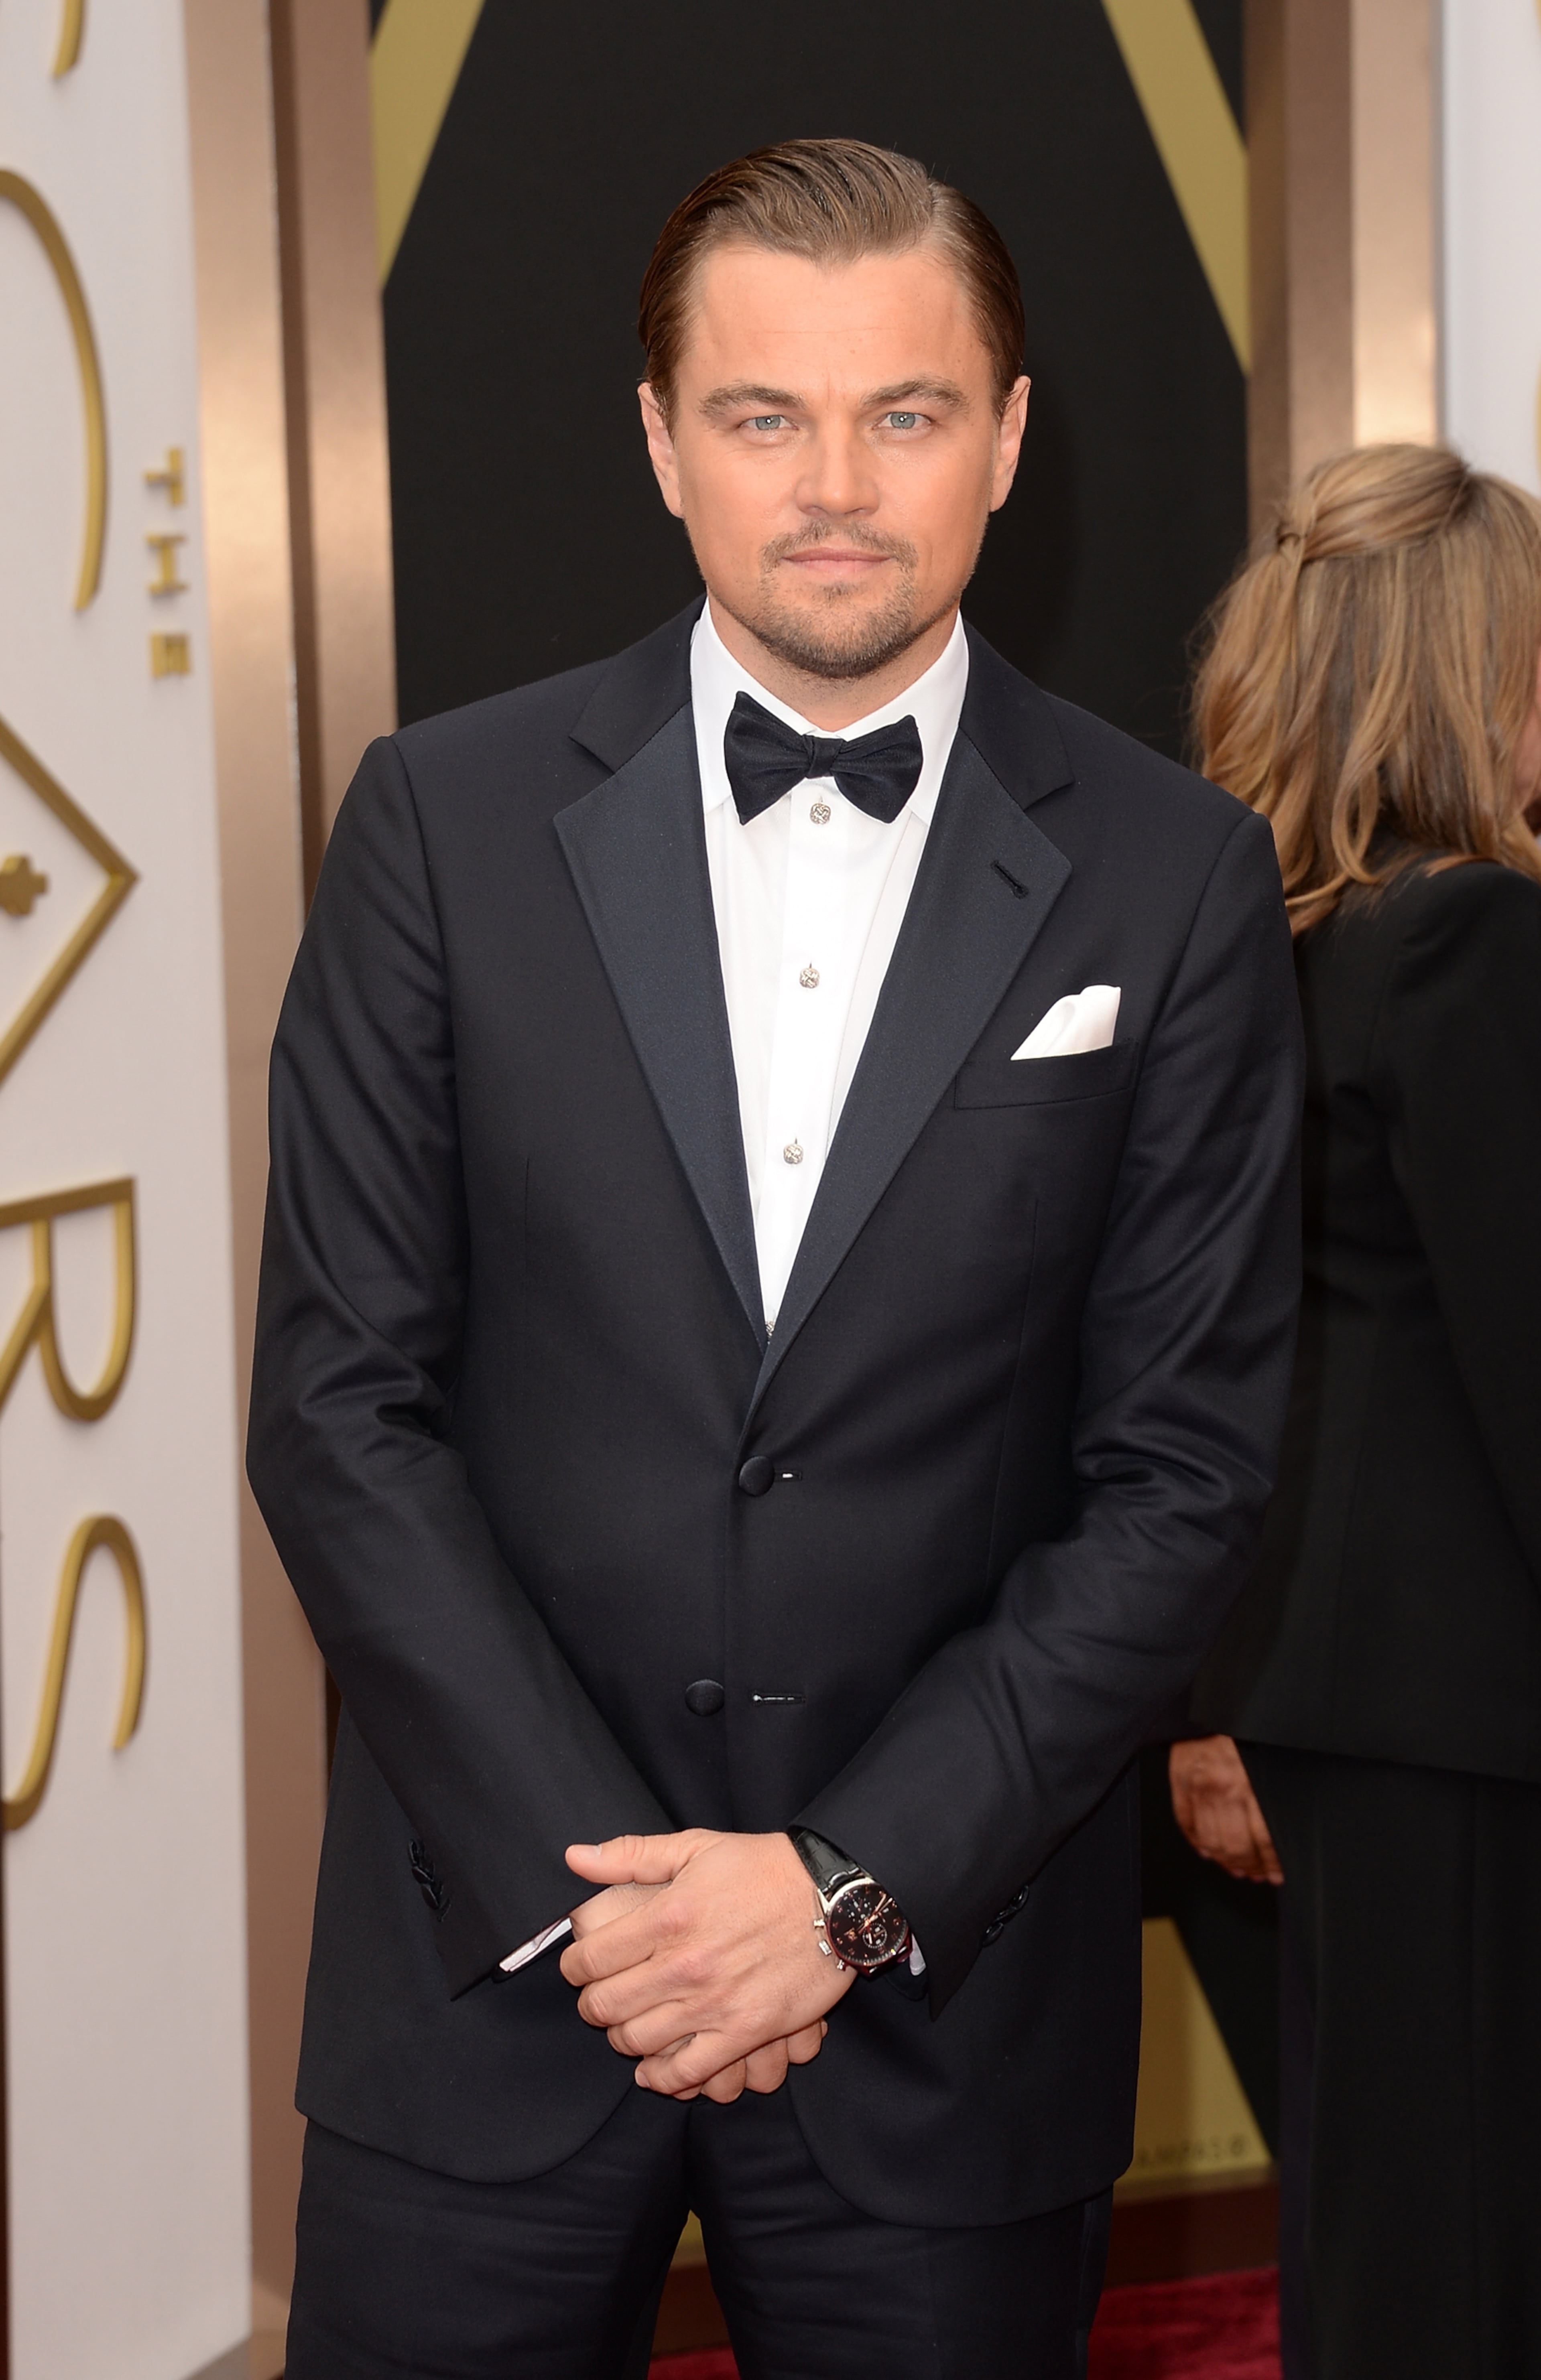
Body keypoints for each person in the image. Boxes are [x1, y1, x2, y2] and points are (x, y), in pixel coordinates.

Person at [248, 139, 1301, 2380]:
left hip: (946, 2006)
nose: (838, 484)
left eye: (907, 412)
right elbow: (342, 1405)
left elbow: (1185, 1472)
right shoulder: (433, 824)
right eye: (763, 414)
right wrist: (605, 1902)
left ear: (1009, 438)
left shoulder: (1178, 876)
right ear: (658, 439)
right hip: (489, 1978)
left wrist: (837, 1889)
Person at [1172, 443, 1541, 2380]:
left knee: (1386, 2210)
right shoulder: (1468, 936)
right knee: (1453, 2250)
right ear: (1471, 671)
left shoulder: (1250, 945)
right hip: (1465, 1707)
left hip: (1327, 1690)